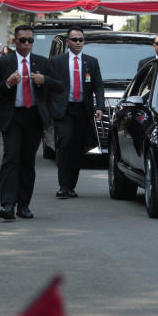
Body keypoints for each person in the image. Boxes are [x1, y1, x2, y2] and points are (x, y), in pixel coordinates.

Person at [0, 25, 63, 220]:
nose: (26, 44)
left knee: (28, 162)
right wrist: (7, 83)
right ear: (15, 41)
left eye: (30, 40)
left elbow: (60, 86)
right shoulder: (4, 62)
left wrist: (44, 80)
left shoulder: (42, 63)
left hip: (34, 117)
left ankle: (24, 205)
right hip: (12, 117)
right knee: (11, 158)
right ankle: (8, 204)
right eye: (22, 40)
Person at [49, 27, 105, 198]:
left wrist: (99, 107)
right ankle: (63, 186)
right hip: (64, 110)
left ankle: (71, 185)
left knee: (77, 148)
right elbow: (50, 87)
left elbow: (98, 86)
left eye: (81, 39)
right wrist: (50, 108)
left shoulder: (91, 62)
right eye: (74, 40)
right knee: (65, 144)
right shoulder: (57, 61)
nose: (78, 43)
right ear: (67, 42)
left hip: (83, 110)